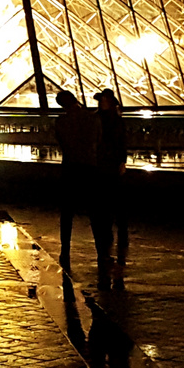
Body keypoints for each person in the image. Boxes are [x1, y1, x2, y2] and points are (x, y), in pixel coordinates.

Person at [53, 89, 102, 281]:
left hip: (70, 168)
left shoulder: (61, 122)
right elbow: (98, 141)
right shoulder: (92, 119)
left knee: (67, 213)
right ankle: (100, 251)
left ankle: (65, 250)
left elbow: (61, 144)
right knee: (95, 212)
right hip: (90, 167)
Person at [93, 89, 129, 289]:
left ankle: (114, 233)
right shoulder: (107, 119)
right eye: (101, 100)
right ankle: (115, 233)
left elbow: (121, 143)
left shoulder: (111, 120)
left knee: (111, 200)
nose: (102, 103)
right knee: (109, 201)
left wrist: (122, 161)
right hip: (105, 165)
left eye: (104, 100)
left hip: (109, 165)